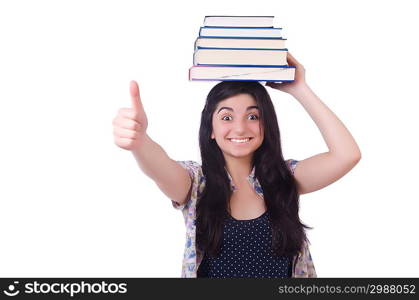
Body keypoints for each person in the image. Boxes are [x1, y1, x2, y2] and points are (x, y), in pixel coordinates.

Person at [112, 53, 362, 278]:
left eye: (253, 116)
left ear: (267, 125)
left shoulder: (284, 178)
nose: (240, 128)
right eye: (227, 117)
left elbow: (347, 155)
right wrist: (141, 142)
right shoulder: (196, 183)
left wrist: (300, 89)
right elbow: (160, 167)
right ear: (211, 128)